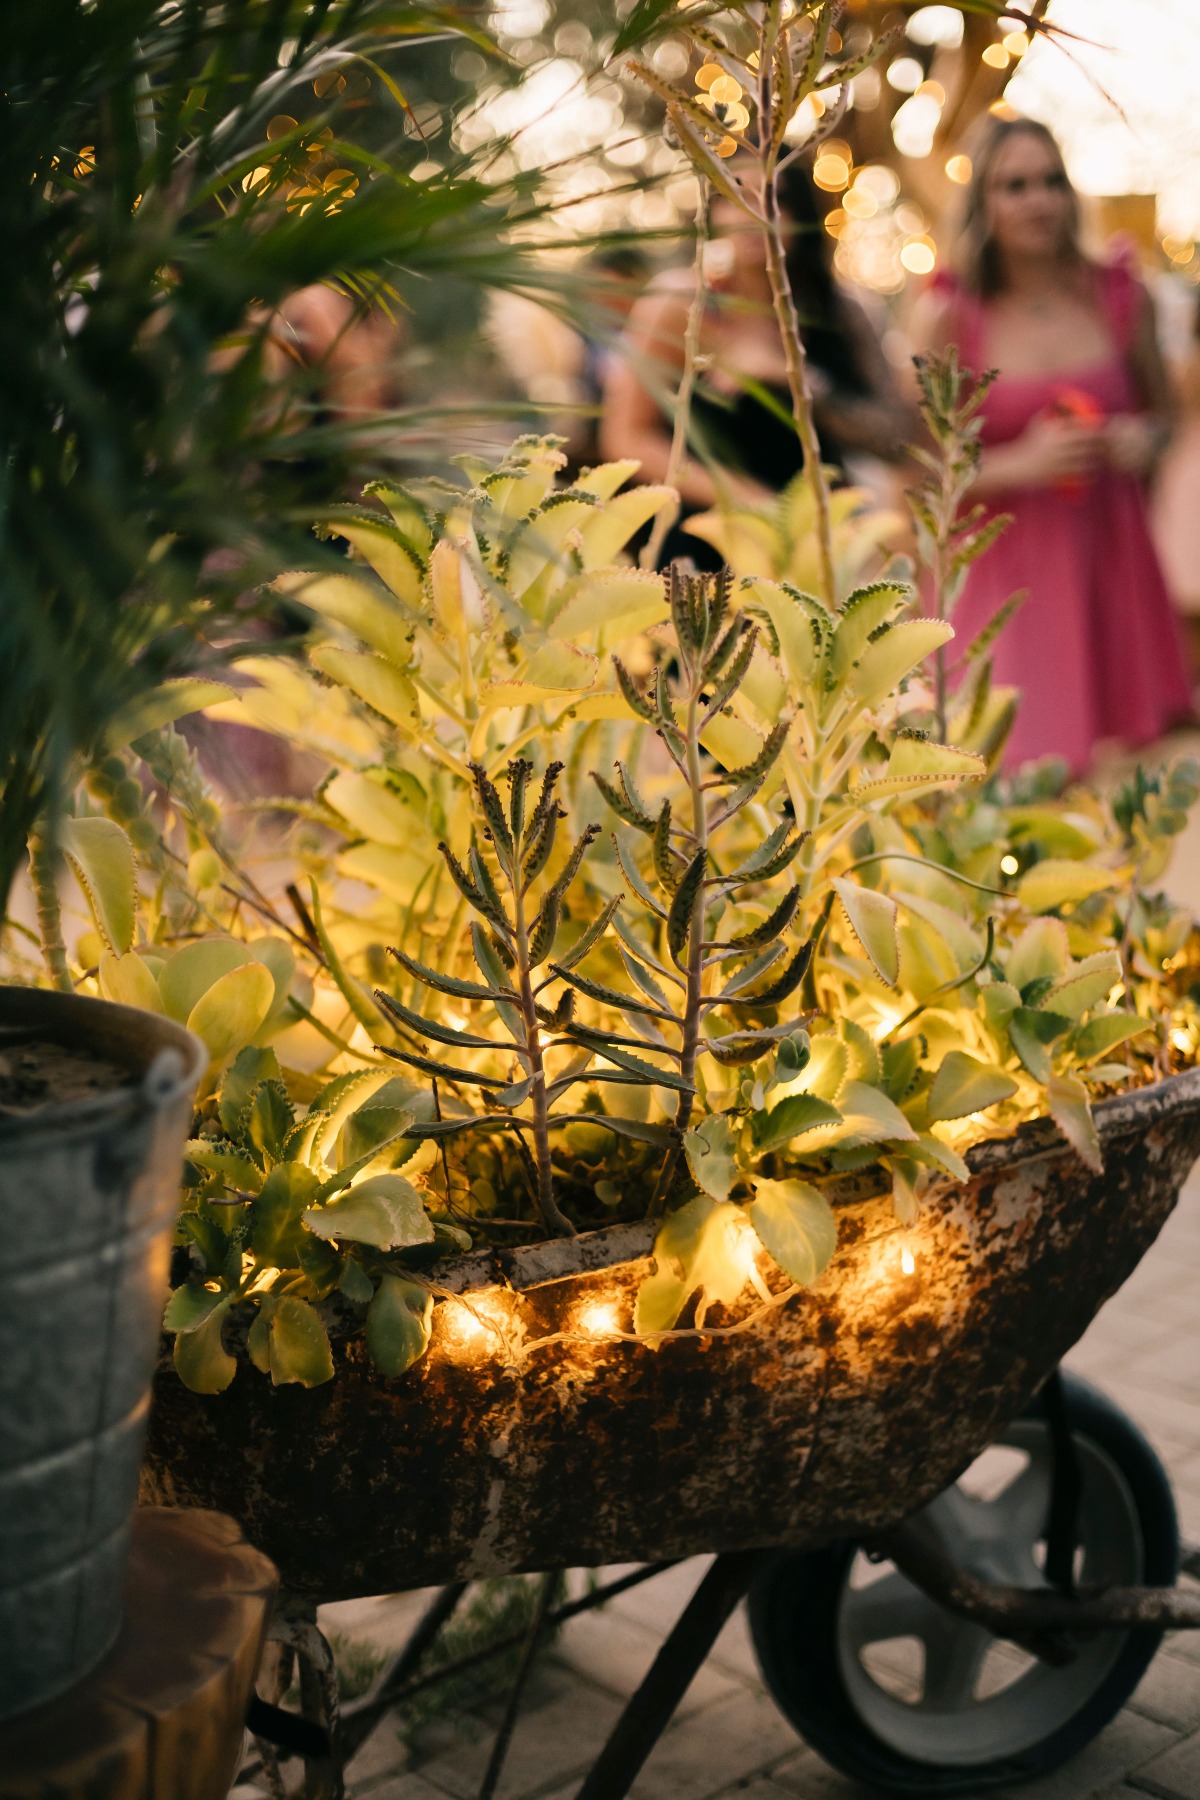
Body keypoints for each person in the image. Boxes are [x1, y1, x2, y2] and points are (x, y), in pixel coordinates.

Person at [913, 116, 1191, 773]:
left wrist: (1140, 441)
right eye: (1014, 186)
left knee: (1130, 782)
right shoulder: (950, 315)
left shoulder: (1122, 294)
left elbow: (1167, 416)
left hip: (1113, 563)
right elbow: (922, 468)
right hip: (1005, 580)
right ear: (981, 203)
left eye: (1051, 181)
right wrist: (1022, 463)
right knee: (1023, 777)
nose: (1039, 201)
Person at [600, 164, 913, 563]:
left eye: (775, 199)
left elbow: (894, 439)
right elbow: (627, 438)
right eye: (735, 199)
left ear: (801, 215)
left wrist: (798, 378)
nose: (754, 215)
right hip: (708, 536)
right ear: (714, 214)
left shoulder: (840, 313)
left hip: (814, 540)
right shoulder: (683, 304)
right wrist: (748, 499)